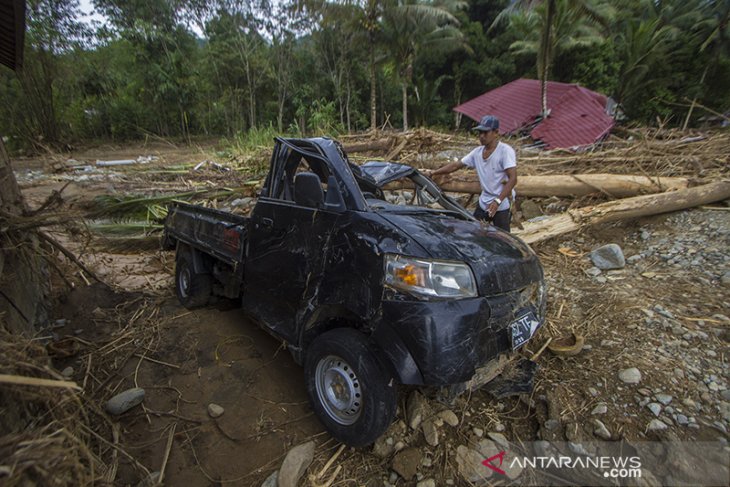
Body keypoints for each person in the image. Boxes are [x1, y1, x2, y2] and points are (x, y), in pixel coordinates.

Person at [429, 115, 517, 232]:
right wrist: (434, 172)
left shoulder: (505, 151)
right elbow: (456, 165)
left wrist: (498, 201)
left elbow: (513, 178)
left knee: (504, 239)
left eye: (485, 132)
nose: (481, 136)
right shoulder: (477, 153)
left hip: (500, 205)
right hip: (484, 202)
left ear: (496, 133)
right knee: (474, 233)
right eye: (480, 132)